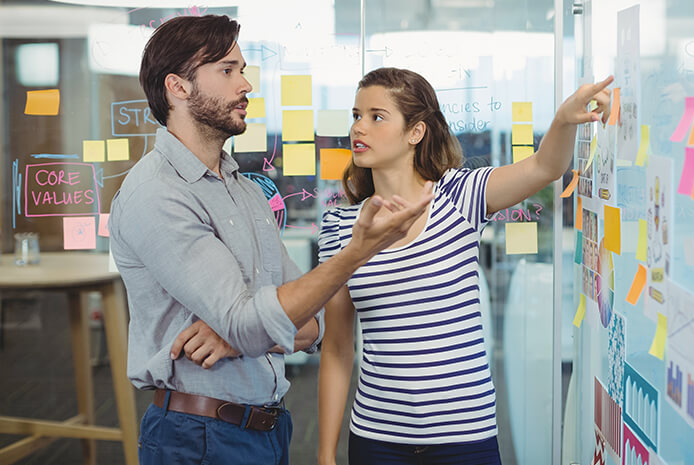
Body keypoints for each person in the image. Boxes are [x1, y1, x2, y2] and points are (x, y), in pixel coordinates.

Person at [108, 16, 433, 465]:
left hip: (267, 430)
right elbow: (258, 321)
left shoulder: (242, 189)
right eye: (228, 70)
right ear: (178, 88)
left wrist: (242, 334)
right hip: (199, 436)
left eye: (242, 69)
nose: (246, 85)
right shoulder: (157, 194)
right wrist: (359, 251)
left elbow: (311, 322)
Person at [316, 67, 613, 464]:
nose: (359, 128)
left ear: (415, 132)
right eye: (356, 115)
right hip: (376, 439)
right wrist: (324, 453)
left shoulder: (460, 194)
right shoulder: (339, 226)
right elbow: (336, 348)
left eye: (376, 116)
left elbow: (545, 167)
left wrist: (562, 119)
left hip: (465, 437)